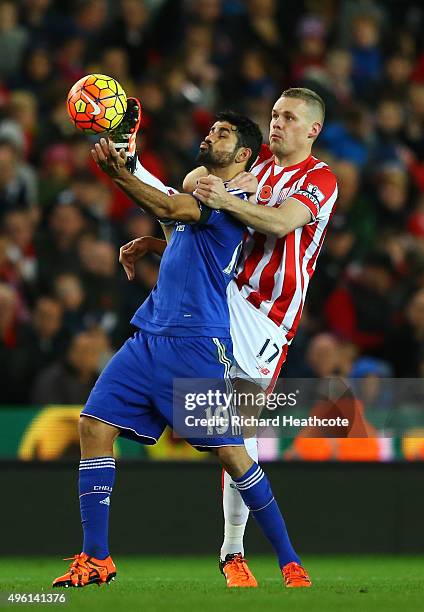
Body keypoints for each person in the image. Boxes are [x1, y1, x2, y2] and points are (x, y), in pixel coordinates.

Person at [52, 110, 311, 590]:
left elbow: (175, 211)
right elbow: (179, 229)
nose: (210, 135)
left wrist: (119, 174)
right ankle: (96, 557)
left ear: (243, 155)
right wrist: (152, 242)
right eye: (211, 129)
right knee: (92, 425)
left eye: (223, 133)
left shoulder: (234, 198)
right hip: (150, 333)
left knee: (234, 454)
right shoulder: (203, 191)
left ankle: (289, 559)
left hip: (197, 344)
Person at [122, 88, 338, 586]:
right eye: (275, 115)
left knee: (238, 433)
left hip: (267, 317)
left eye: (290, 117)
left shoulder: (319, 179)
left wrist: (220, 198)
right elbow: (191, 201)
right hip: (221, 295)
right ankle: (235, 555)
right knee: (227, 434)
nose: (278, 123)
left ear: (313, 130)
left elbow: (283, 223)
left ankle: (234, 548)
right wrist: (167, 234)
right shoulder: (251, 165)